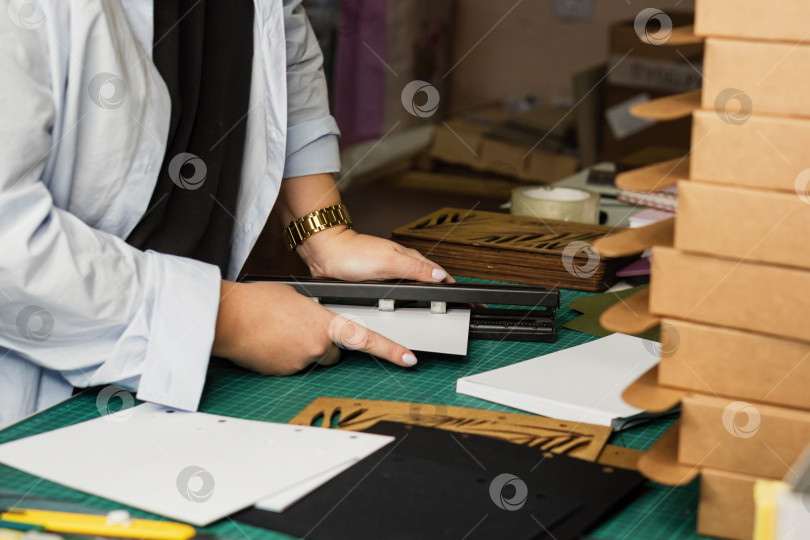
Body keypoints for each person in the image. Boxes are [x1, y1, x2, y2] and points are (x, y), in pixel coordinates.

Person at [0, 0, 451, 428]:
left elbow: (282, 42)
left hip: (188, 369)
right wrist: (224, 318)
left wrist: (324, 230)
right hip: (34, 394)